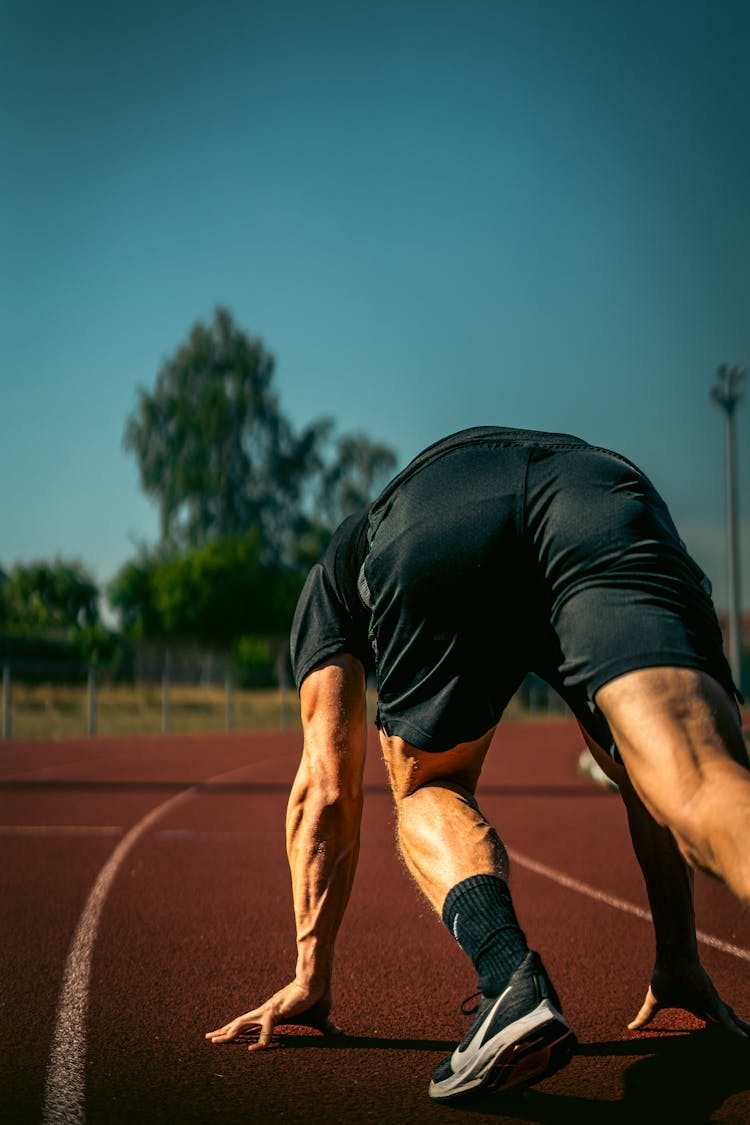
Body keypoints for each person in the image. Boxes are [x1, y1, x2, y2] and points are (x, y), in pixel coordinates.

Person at [206, 426, 750, 1101]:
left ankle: (508, 981)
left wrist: (310, 972)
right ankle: (673, 954)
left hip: (435, 526)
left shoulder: (334, 574)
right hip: (601, 495)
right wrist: (679, 955)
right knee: (688, 775)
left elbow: (325, 787)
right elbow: (647, 784)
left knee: (429, 782)